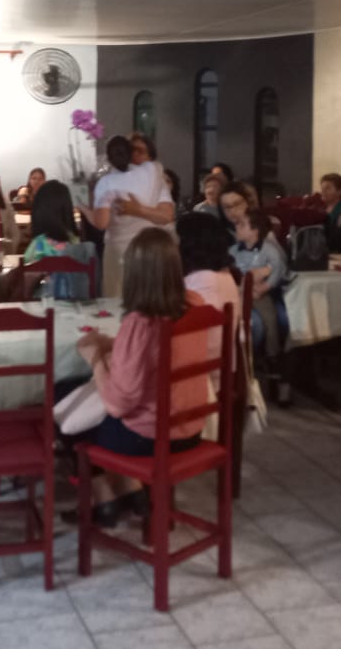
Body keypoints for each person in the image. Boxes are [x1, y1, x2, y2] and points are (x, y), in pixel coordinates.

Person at [69, 228, 210, 526]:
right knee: (87, 407)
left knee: (70, 416)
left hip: (152, 438)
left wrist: (95, 359)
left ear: (135, 274)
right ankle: (130, 491)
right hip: (191, 429)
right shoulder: (196, 305)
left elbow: (119, 404)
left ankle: (106, 498)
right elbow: (160, 355)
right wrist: (117, 346)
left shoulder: (141, 323)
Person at [79, 135, 175, 298]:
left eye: (140, 151)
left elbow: (167, 216)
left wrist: (136, 209)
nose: (136, 155)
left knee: (121, 299)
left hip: (136, 251)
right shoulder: (153, 172)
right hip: (146, 251)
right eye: (133, 150)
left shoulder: (110, 182)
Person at [177, 213, 241, 362]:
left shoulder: (200, 281)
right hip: (220, 361)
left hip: (201, 365)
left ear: (189, 244)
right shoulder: (224, 274)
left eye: (178, 239)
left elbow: (181, 328)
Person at [229, 209, 288, 368]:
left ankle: (272, 354)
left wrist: (266, 286)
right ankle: (243, 356)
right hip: (240, 292)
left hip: (259, 293)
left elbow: (278, 268)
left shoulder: (269, 249)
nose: (237, 227)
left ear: (255, 230)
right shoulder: (234, 251)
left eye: (242, 225)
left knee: (270, 318)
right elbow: (230, 271)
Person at [23, 180, 96, 300]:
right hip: (76, 303)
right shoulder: (76, 243)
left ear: (39, 210)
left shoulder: (38, 244)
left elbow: (25, 280)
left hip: (42, 304)